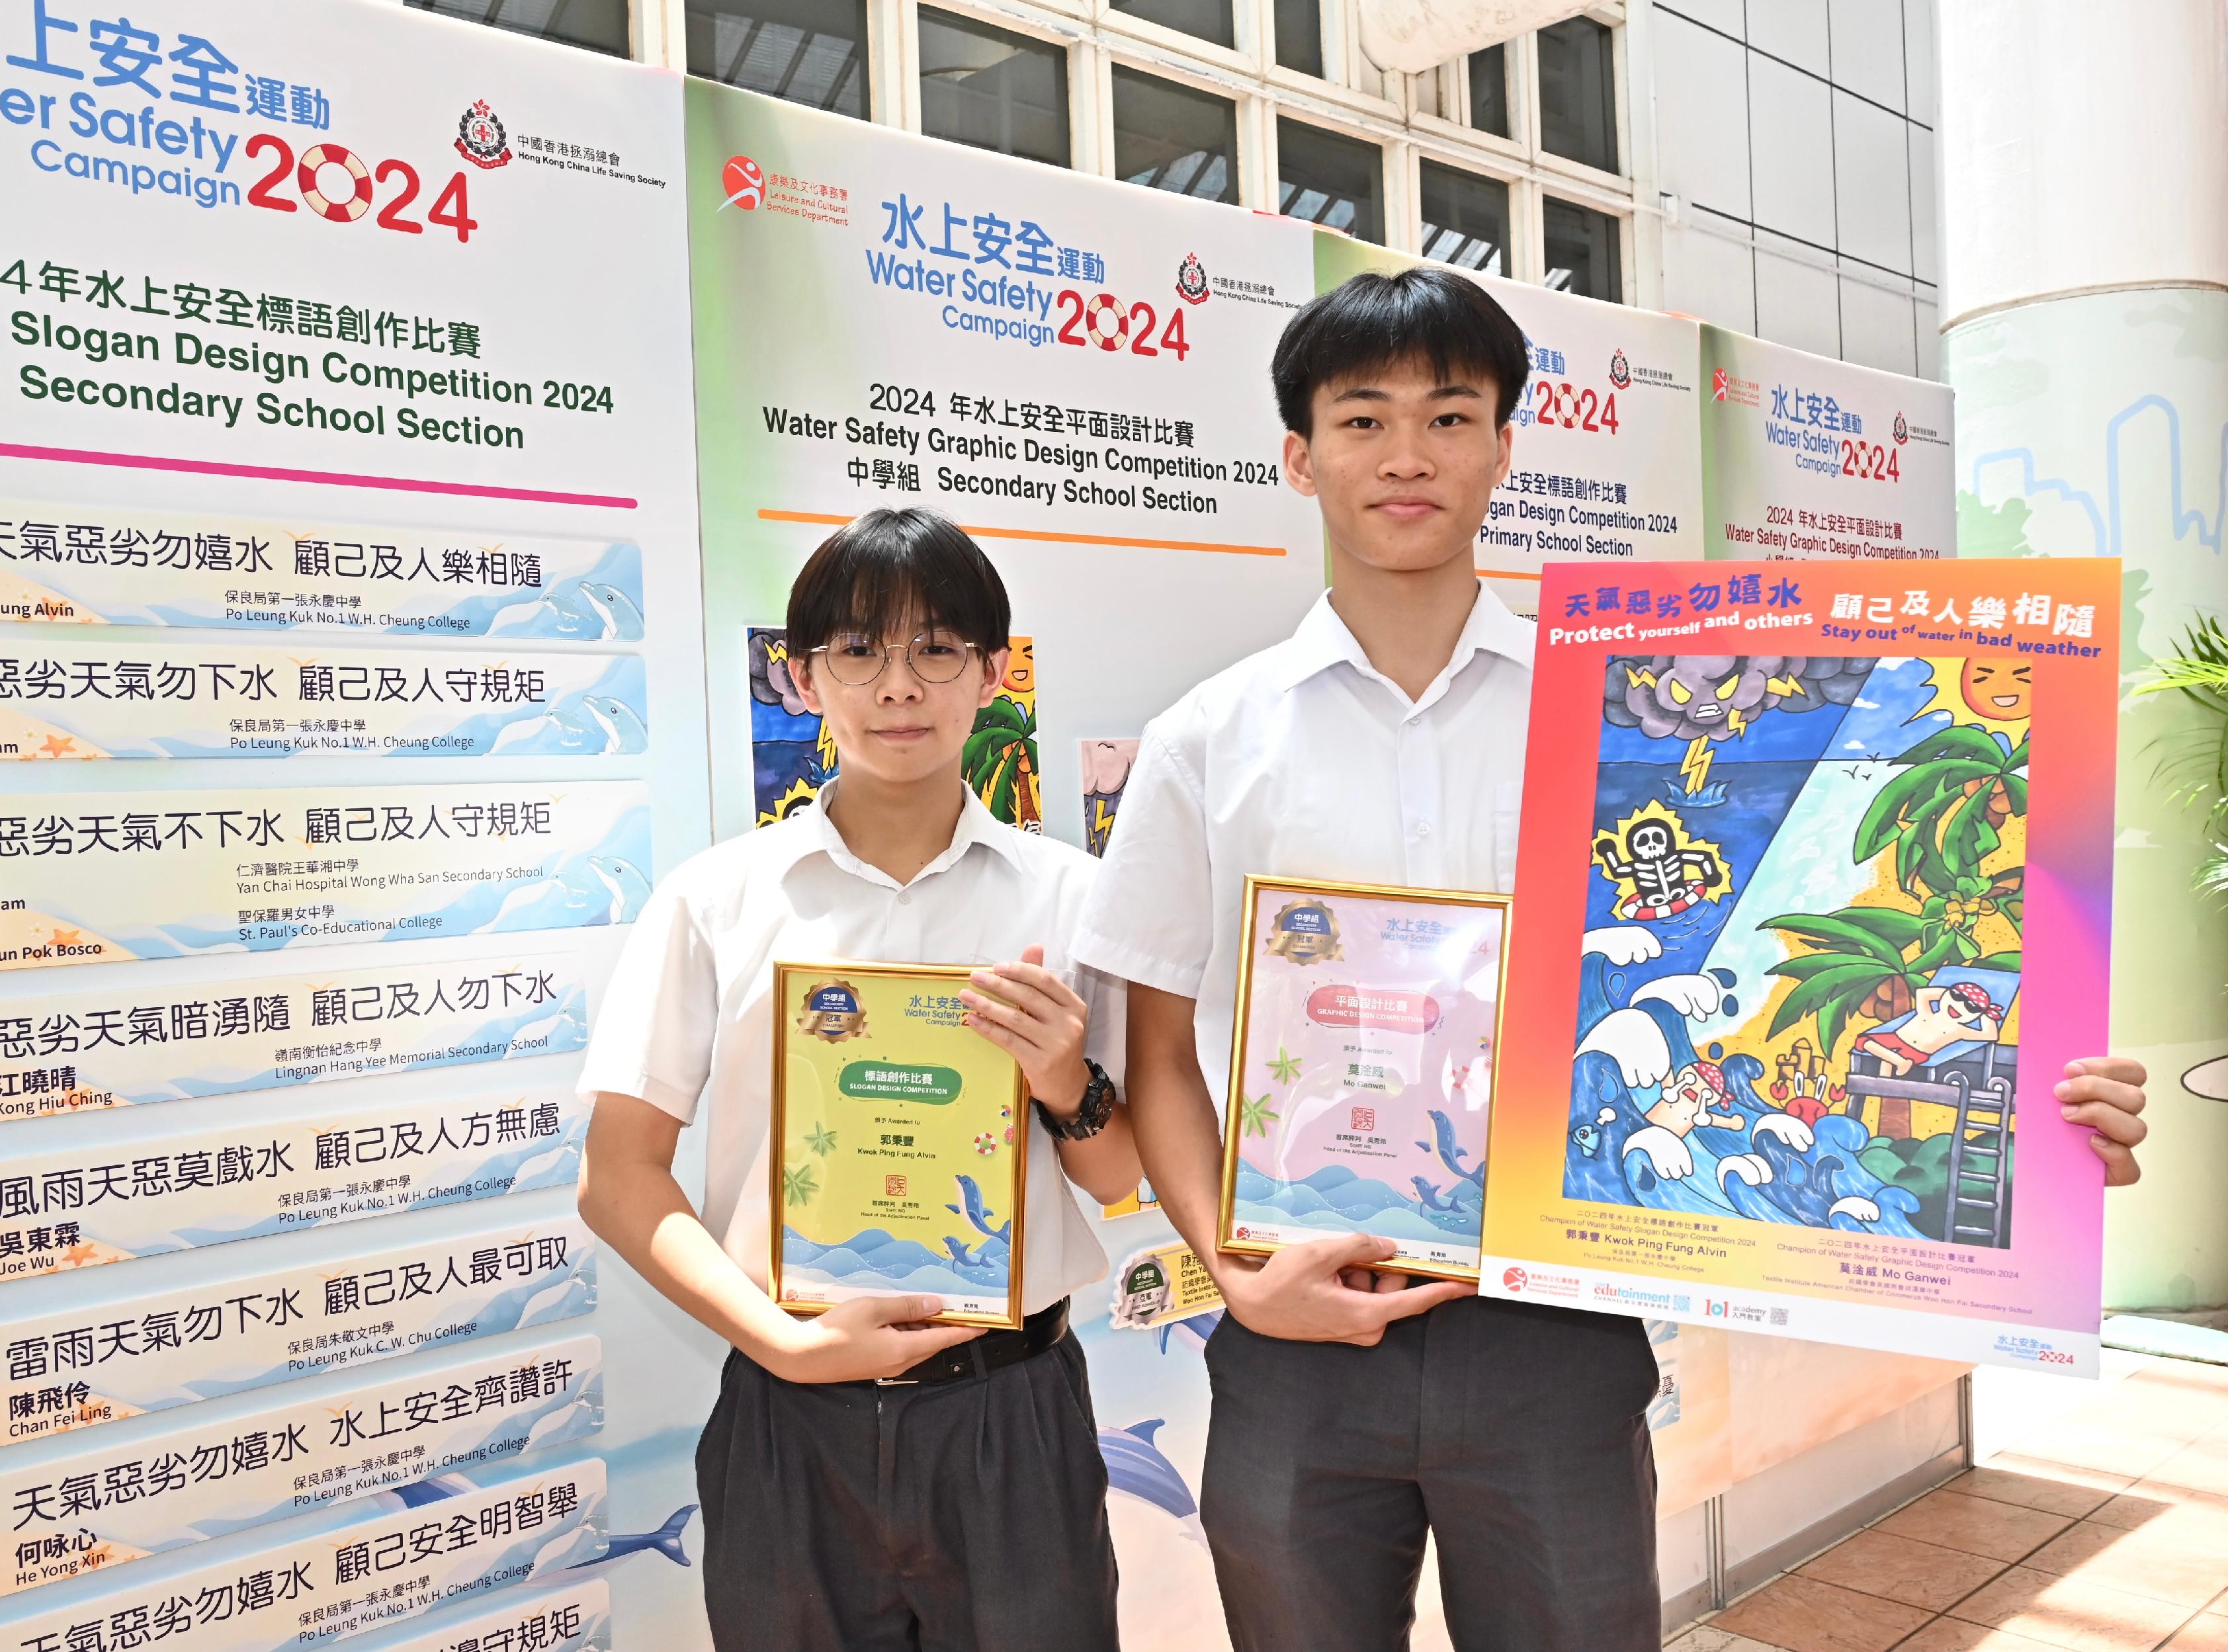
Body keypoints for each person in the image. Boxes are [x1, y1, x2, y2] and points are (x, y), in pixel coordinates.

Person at [1070, 265, 2151, 1651]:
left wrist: (2036, 1111)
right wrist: (1232, 1271)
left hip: (1554, 1331)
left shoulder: (1629, 719)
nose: (1406, 452)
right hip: (1291, 1332)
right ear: (1297, 454)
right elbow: (1155, 1057)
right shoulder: (1204, 739)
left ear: (1505, 449)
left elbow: (1775, 949)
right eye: (1361, 418)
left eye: (1448, 416)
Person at [577, 507, 1139, 1652]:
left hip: (1012, 1413)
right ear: (802, 677)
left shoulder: (1074, 899)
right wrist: (779, 1342)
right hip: (791, 1412)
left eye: (937, 648)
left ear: (992, 672)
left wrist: (1063, 1075)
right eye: (860, 651)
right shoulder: (717, 899)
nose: (899, 685)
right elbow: (618, 1177)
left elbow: (1122, 1173)